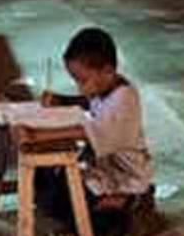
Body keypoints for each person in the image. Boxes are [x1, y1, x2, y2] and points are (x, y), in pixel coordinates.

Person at [22, 27, 155, 235]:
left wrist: (37, 134)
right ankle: (106, 206)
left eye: (82, 81)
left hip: (126, 183)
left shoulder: (124, 101)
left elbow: (85, 130)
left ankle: (131, 204)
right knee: (50, 189)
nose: (79, 87)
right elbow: (89, 102)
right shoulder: (105, 87)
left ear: (108, 71)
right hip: (103, 175)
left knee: (101, 225)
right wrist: (61, 100)